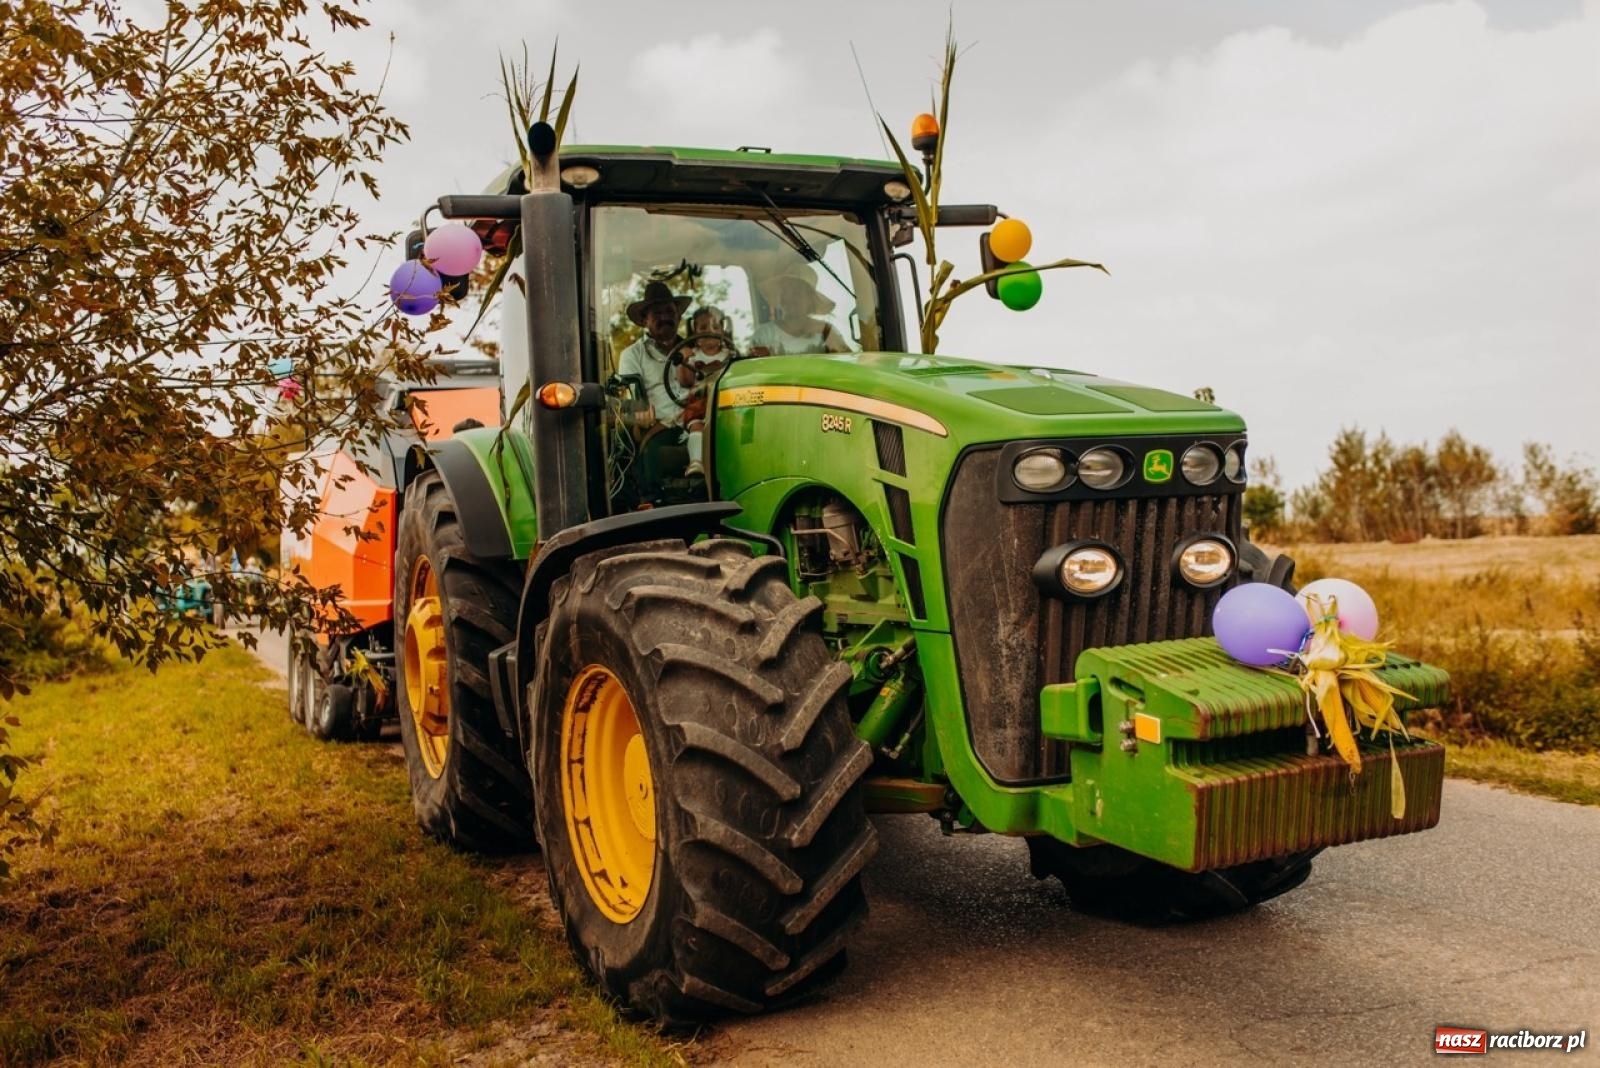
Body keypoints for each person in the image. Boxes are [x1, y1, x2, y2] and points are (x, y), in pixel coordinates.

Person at [616, 280, 693, 426]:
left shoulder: (695, 349)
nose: (664, 317)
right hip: (661, 429)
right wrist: (639, 413)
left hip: (703, 424)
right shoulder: (632, 355)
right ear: (645, 321)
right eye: (657, 313)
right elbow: (629, 403)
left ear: (679, 317)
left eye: (669, 311)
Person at [749, 266, 849, 356]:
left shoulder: (826, 330)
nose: (792, 298)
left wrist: (828, 334)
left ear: (811, 300)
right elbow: (755, 367)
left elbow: (848, 362)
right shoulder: (765, 334)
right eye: (788, 292)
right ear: (782, 298)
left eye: (799, 293)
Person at [677, 307, 730, 477]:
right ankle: (696, 461)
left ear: (723, 330)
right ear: (695, 333)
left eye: (715, 327)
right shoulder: (693, 356)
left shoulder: (730, 355)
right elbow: (685, 382)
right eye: (703, 328)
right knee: (697, 425)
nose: (710, 332)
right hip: (701, 402)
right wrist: (683, 361)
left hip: (724, 401)